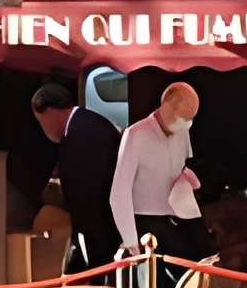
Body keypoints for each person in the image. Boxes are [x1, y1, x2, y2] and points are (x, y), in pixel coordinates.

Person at [109, 82, 211, 262]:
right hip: (145, 223)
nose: (185, 123)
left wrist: (187, 178)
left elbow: (184, 164)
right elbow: (119, 192)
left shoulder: (183, 132)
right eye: (182, 116)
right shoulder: (136, 134)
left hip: (179, 217)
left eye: (189, 118)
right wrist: (131, 240)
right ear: (166, 104)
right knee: (153, 284)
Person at [30, 81, 122, 266]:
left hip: (98, 228)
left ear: (48, 112)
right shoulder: (91, 122)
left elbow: (84, 193)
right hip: (108, 221)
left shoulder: (77, 135)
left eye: (41, 122)